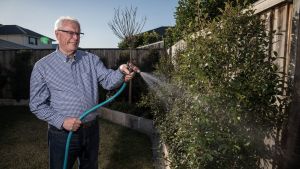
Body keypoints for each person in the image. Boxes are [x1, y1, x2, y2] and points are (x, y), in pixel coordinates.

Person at [29, 16, 135, 169]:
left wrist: (120, 71)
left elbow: (107, 80)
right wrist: (62, 121)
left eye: (78, 34)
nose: (76, 38)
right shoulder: (43, 67)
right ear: (57, 34)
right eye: (71, 33)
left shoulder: (91, 59)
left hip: (91, 130)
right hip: (62, 134)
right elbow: (37, 104)